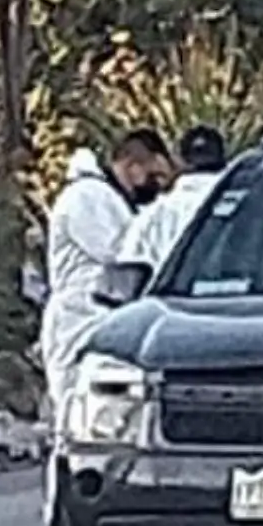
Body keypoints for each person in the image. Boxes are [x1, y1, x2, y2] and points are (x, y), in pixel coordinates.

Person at [38, 129, 172, 424]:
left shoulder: (113, 200)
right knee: (78, 423)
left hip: (101, 322)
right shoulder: (89, 197)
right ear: (131, 166)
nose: (158, 187)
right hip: (78, 321)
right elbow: (125, 255)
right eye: (155, 176)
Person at [115, 124, 228, 274]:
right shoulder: (251, 207)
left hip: (166, 296)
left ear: (180, 161)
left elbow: (127, 272)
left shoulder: (154, 215)